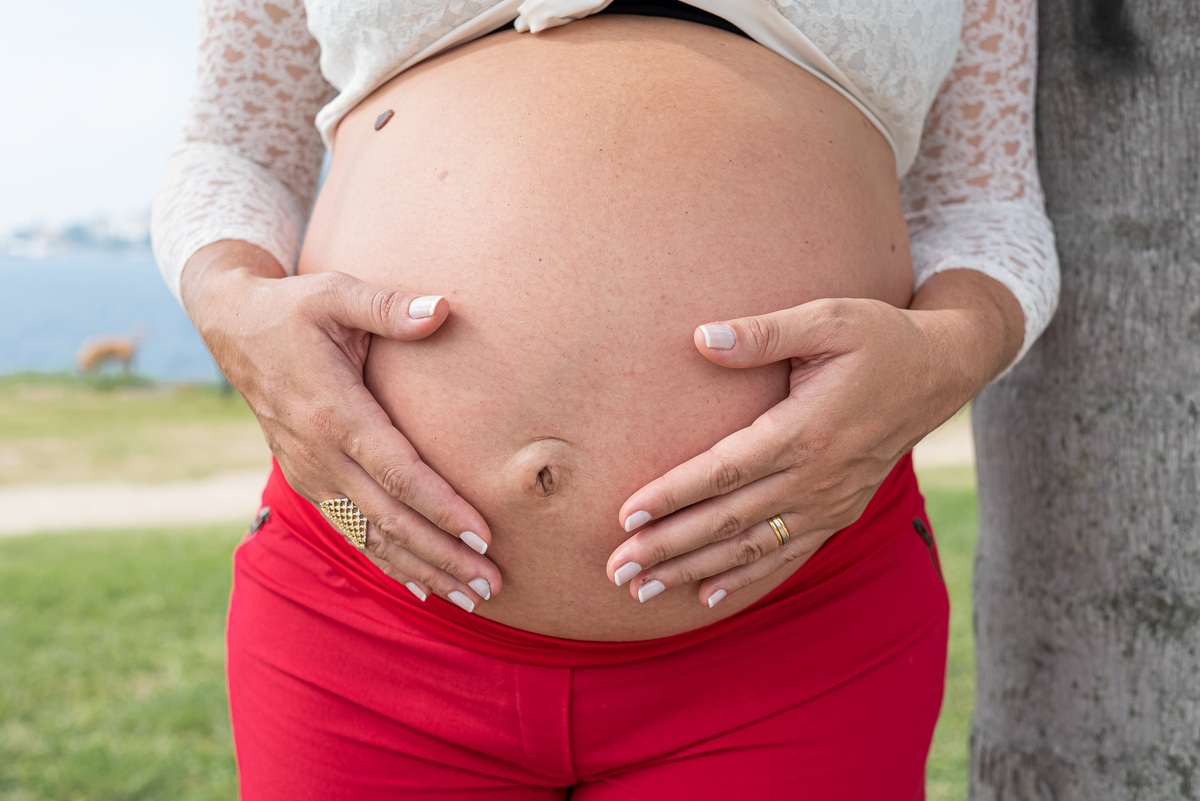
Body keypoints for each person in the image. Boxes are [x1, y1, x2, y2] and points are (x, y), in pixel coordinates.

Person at [152, 0, 1057, 795]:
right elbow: (232, 149)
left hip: (794, 610)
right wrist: (234, 309)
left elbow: (986, 210)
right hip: (363, 580)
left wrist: (948, 351)